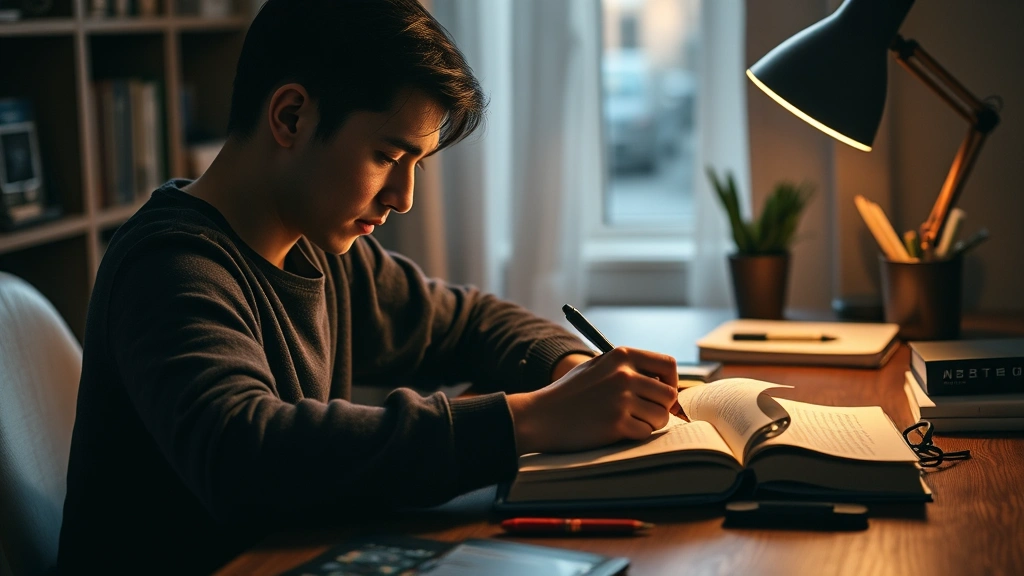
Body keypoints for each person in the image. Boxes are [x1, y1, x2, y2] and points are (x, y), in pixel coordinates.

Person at [57, 0, 678, 573]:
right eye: (387, 156)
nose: (404, 198)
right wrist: (532, 420)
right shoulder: (170, 266)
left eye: (416, 167)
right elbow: (245, 452)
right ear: (291, 116)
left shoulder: (321, 250)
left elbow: (469, 322)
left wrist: (569, 372)